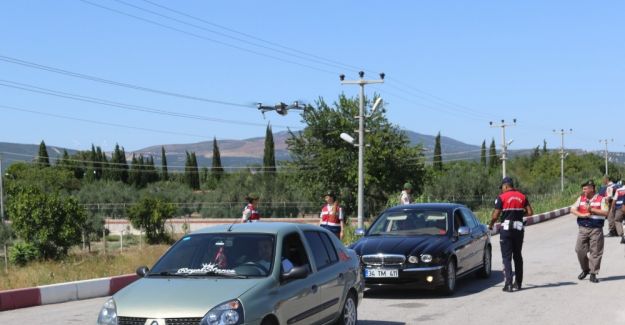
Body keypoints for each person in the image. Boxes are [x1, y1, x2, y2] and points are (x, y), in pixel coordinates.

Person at [489, 177, 533, 292]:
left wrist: (491, 225)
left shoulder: (501, 197)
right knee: (517, 256)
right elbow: (530, 212)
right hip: (518, 229)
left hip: (506, 230)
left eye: (502, 188)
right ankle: (518, 283)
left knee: (506, 257)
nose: (501, 190)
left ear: (506, 186)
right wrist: (518, 212)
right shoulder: (522, 196)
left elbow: (495, 215)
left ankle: (508, 284)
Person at [571, 180, 609, 283]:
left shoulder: (602, 199)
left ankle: (593, 273)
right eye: (583, 189)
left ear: (592, 188)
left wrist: (592, 210)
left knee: (595, 251)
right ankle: (586, 269)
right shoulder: (581, 198)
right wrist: (582, 215)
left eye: (585, 188)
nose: (583, 191)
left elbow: (606, 213)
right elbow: (572, 209)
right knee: (579, 249)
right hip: (583, 228)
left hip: (596, 229)